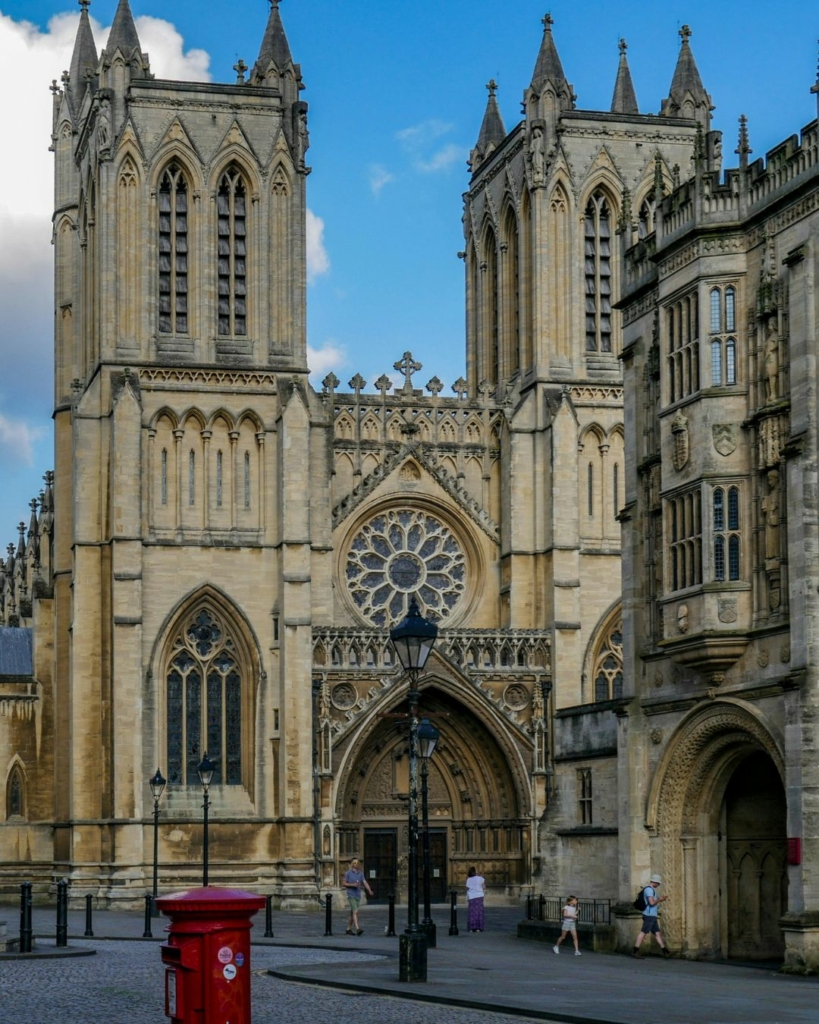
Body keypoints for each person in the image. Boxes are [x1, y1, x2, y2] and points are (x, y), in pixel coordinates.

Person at [633, 874, 671, 958]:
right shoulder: (649, 890)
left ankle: (665, 951)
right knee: (643, 932)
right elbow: (651, 903)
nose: (659, 885)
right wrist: (659, 900)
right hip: (649, 915)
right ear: (656, 882)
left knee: (657, 933)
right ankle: (635, 951)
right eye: (658, 883)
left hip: (652, 915)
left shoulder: (649, 889)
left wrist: (659, 899)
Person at [342, 858, 373, 935]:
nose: (356, 864)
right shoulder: (348, 873)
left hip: (357, 895)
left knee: (353, 913)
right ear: (352, 864)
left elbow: (365, 882)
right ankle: (358, 928)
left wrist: (369, 890)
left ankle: (348, 929)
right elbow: (344, 883)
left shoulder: (361, 874)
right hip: (351, 895)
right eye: (354, 862)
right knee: (356, 911)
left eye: (357, 862)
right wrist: (352, 885)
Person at [466, 865, 486, 932]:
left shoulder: (468, 879)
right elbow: (484, 887)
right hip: (479, 896)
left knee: (472, 912)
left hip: (471, 896)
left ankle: (472, 927)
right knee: (479, 912)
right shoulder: (480, 878)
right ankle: (478, 927)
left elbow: (468, 888)